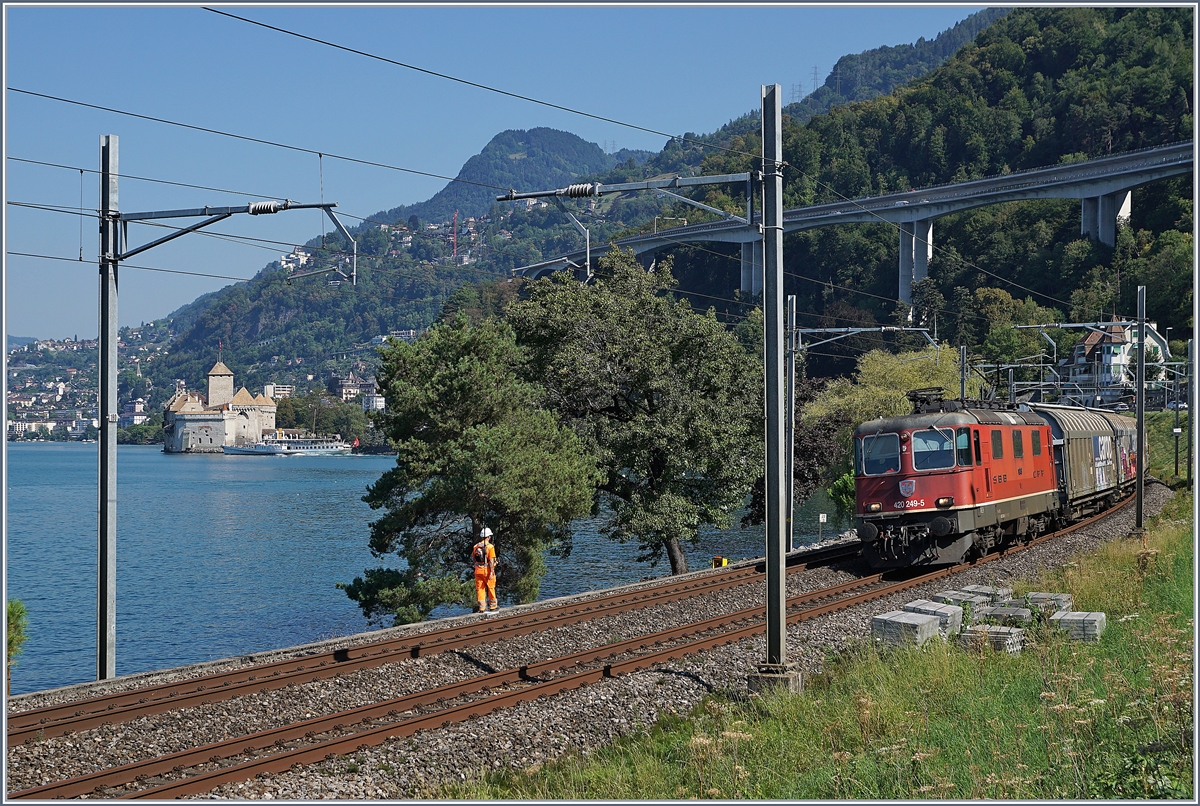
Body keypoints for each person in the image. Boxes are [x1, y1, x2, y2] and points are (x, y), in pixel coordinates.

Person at [472, 527, 498, 612]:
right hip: (487, 570)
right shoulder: (490, 547)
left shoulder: (476, 547)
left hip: (478, 570)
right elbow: (491, 560)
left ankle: (482, 608)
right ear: (488, 537)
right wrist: (492, 572)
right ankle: (493, 606)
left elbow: (474, 558)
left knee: (480, 589)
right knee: (491, 587)